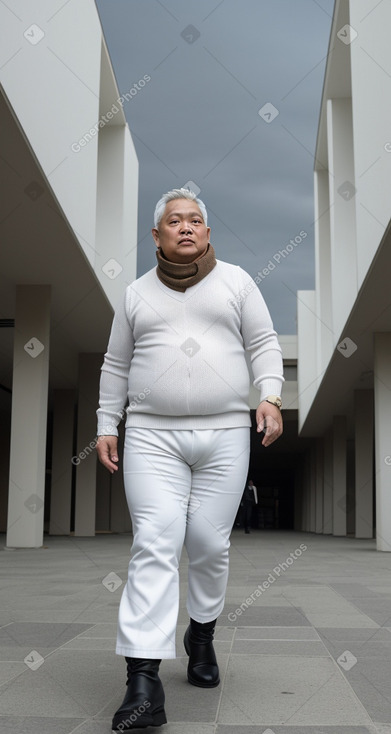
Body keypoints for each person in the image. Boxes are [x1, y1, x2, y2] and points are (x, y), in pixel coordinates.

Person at [96, 188, 284, 731]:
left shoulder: (238, 283)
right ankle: (143, 682)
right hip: (153, 435)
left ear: (207, 233)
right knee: (154, 540)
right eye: (174, 221)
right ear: (156, 236)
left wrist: (269, 395)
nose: (186, 227)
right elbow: (115, 364)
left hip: (225, 432)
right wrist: (108, 424)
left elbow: (264, 343)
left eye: (195, 220)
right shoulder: (135, 294)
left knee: (207, 544)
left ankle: (200, 635)